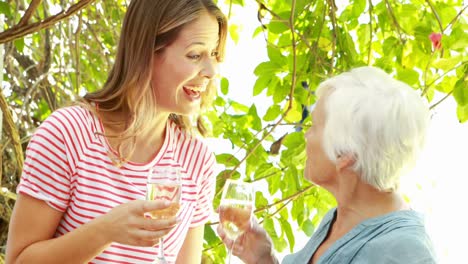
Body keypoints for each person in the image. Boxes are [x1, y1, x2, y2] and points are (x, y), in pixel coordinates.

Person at [6, 0, 227, 263]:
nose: (211, 71)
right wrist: (106, 230)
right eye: (195, 55)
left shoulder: (196, 160)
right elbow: (19, 260)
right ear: (146, 51)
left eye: (214, 54)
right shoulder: (67, 134)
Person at [218, 66, 437, 263]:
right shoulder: (340, 218)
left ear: (345, 154)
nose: (306, 136)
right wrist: (263, 258)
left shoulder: (405, 254)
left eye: (314, 126)